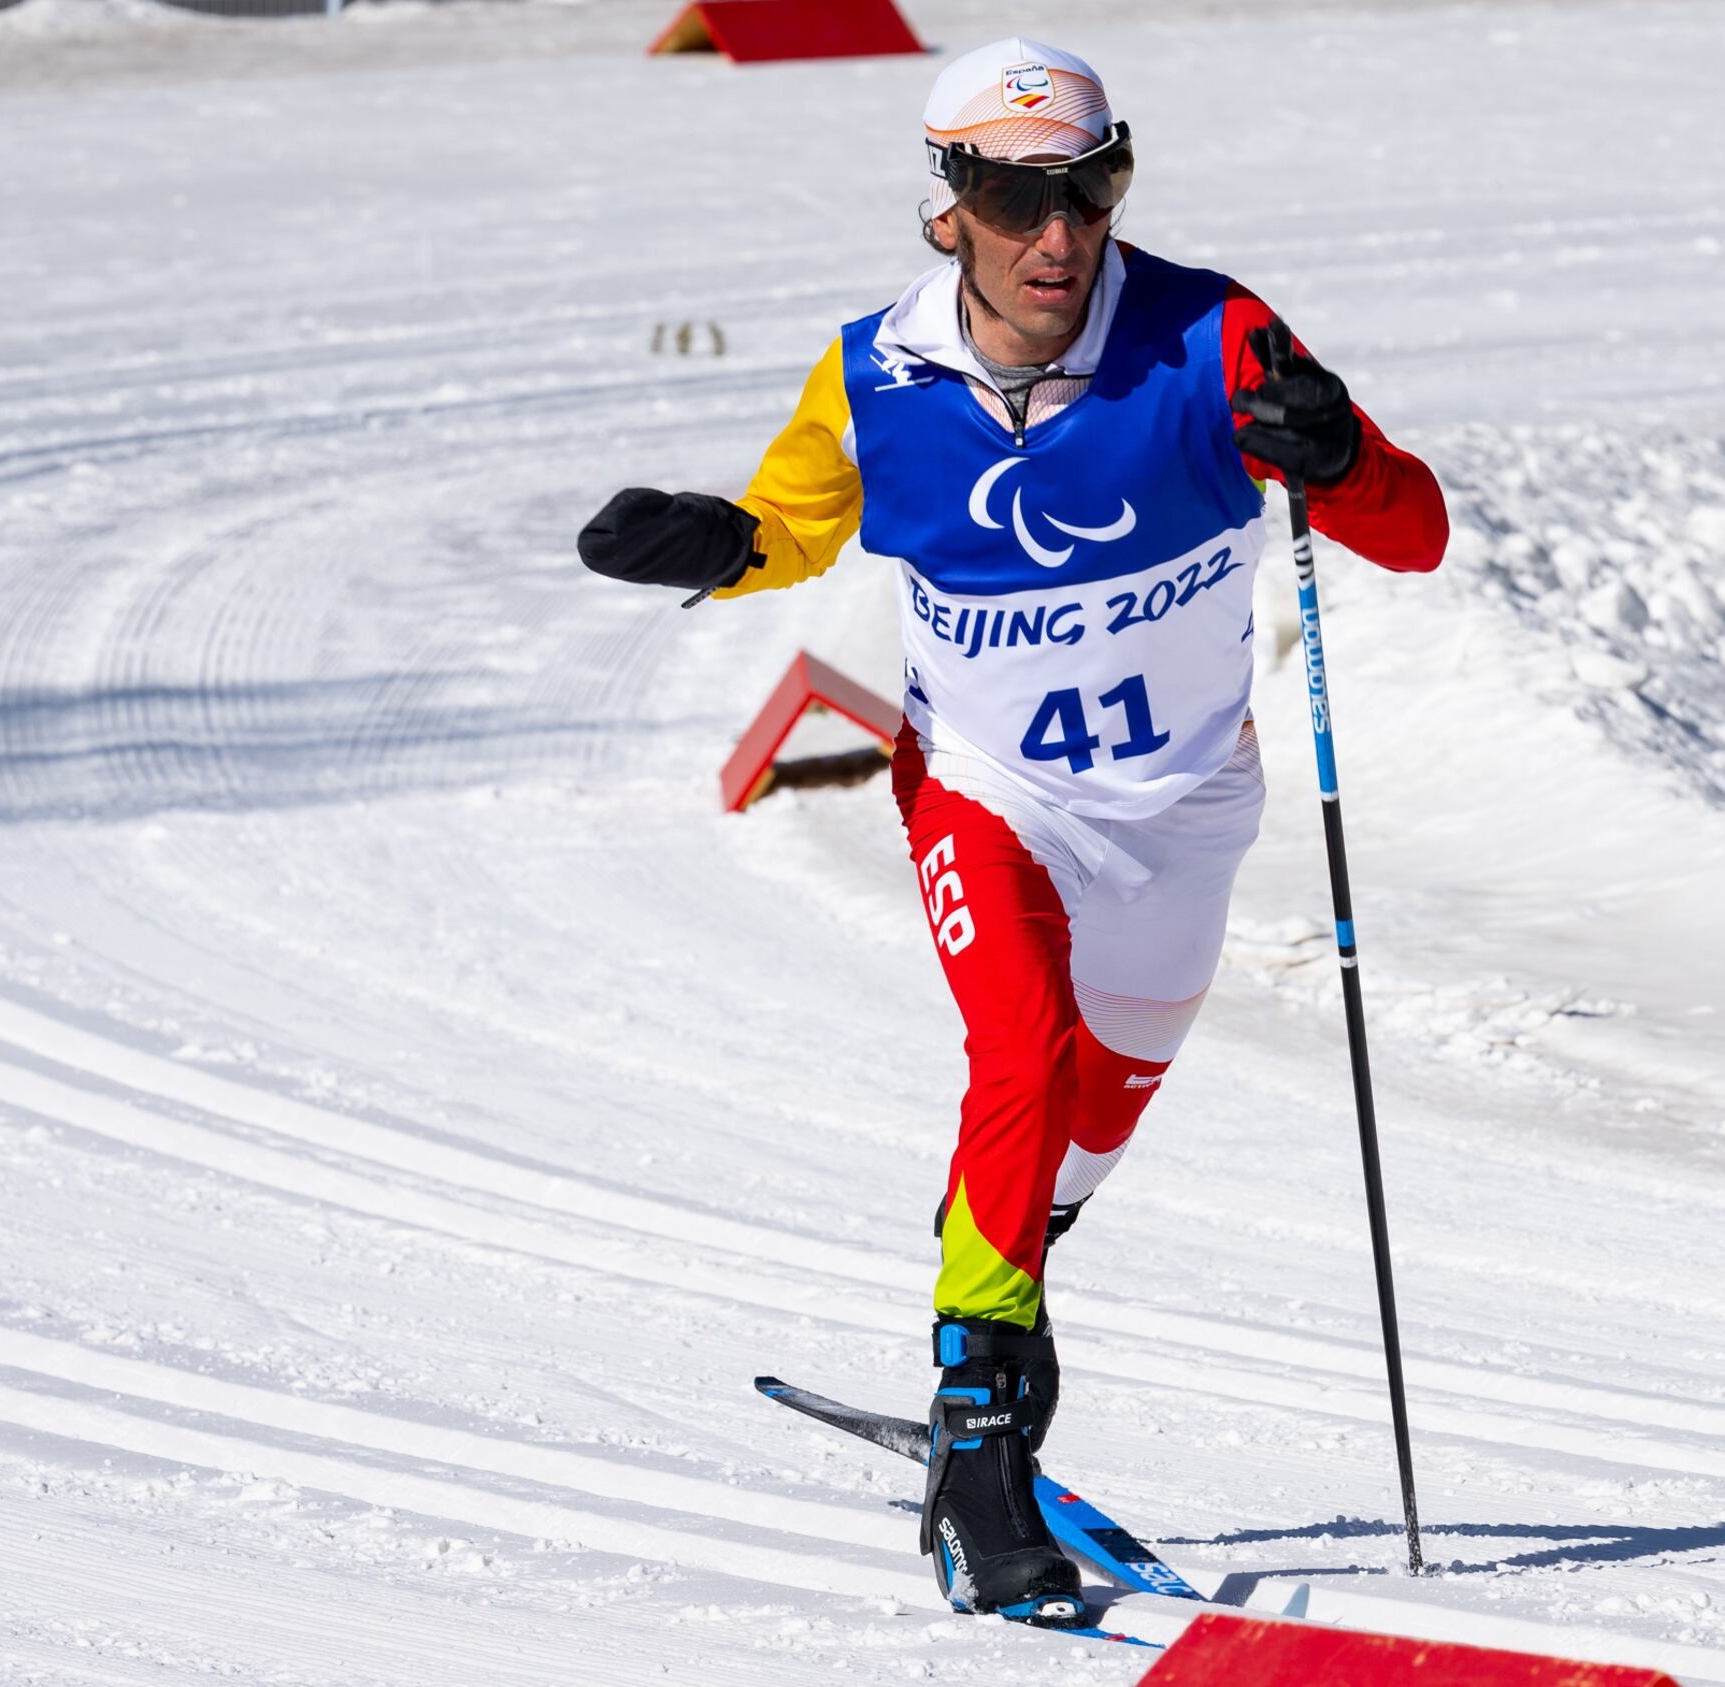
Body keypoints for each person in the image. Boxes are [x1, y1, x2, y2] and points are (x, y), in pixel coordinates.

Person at [573, 38, 1447, 1625]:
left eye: (1090, 192)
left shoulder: (1214, 336)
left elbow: (1415, 529)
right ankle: (979, 1428)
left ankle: (1005, 1264)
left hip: (1183, 809)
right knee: (1024, 1058)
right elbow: (791, 524)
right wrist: (713, 543)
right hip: (988, 789)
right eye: (1016, 198)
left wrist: (1344, 460)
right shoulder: (873, 372)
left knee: (1071, 1151)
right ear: (947, 207)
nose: (1059, 236)